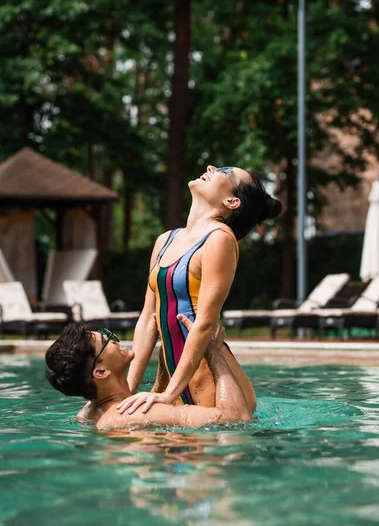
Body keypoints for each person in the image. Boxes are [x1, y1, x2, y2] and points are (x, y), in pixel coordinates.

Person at [120, 165, 281, 416]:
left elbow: (205, 323)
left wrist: (169, 394)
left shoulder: (219, 239)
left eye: (225, 171)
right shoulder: (165, 240)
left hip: (211, 384)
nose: (211, 167)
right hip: (173, 379)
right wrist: (125, 391)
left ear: (232, 201)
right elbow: (148, 319)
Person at [45, 316, 252, 430]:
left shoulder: (88, 415)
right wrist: (213, 349)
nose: (115, 339)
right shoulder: (138, 414)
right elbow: (236, 418)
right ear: (100, 371)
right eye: (107, 339)